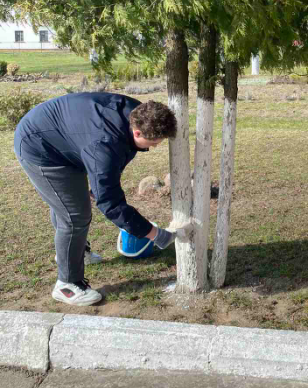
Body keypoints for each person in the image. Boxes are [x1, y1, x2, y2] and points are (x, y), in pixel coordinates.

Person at [14, 92, 191, 307]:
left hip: (66, 135)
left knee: (72, 203)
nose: (155, 146)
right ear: (136, 131)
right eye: (153, 142)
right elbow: (111, 203)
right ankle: (67, 284)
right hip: (40, 147)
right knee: (74, 215)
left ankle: (77, 252)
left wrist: (97, 188)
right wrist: (155, 234)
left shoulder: (138, 112)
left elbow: (112, 165)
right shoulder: (104, 146)